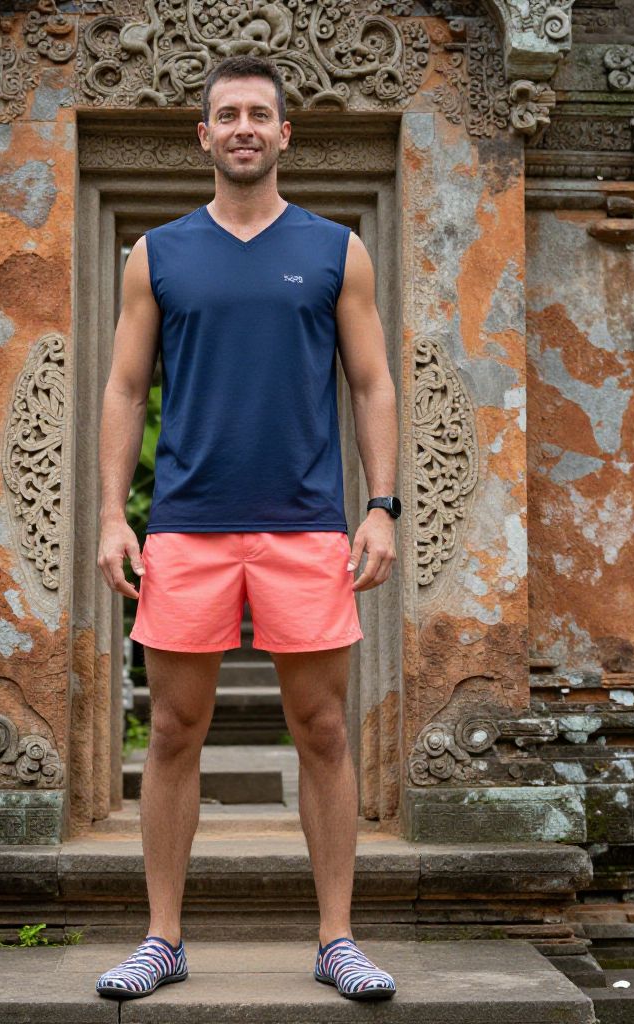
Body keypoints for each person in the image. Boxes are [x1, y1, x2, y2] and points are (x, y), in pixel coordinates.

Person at [94, 54, 400, 1002]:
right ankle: (164, 939)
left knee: (322, 729)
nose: (243, 129)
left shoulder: (337, 247)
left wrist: (381, 507)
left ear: (283, 134)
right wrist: (113, 514)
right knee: (176, 728)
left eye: (259, 115)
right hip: (187, 527)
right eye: (226, 114)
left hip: (306, 526)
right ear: (204, 134)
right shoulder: (157, 254)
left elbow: (373, 384)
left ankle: (337, 940)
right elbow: (124, 387)